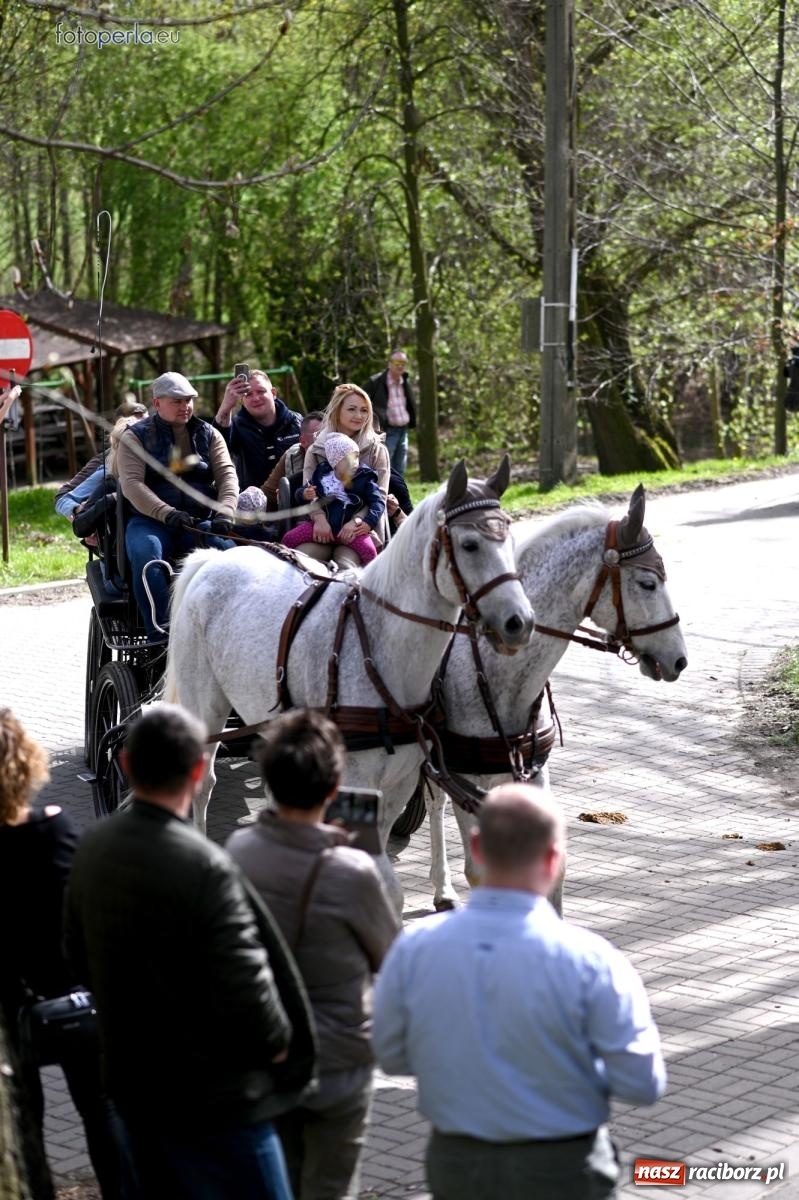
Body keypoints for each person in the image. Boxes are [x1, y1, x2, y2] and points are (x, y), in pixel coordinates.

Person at [64, 704, 316, 1200]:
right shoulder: (207, 866)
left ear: (125, 766)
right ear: (200, 770)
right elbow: (252, 996)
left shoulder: (90, 848)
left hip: (135, 1091)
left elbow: (76, 958)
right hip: (217, 1105)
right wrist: (281, 1046)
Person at [372, 782, 666, 1200]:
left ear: (475, 847)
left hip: (458, 1164)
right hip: (565, 1165)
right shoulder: (595, 961)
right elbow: (643, 1083)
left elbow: (391, 1054)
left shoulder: (415, 948)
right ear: (553, 859)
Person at [226, 710, 400, 1200]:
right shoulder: (353, 871)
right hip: (338, 1067)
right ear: (333, 788)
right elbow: (390, 957)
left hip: (266, 1060)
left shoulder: (238, 851)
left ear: (269, 782)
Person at [0, 709, 127, 1199]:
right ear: (23, 763)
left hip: (11, 1008)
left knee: (23, 1117)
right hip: (71, 993)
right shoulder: (56, 832)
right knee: (101, 1110)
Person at [115, 372, 239, 643]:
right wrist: (166, 513)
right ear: (157, 403)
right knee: (148, 556)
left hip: (197, 521)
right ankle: (161, 633)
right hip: (150, 521)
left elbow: (227, 475)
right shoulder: (133, 438)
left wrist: (225, 513)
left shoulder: (209, 434)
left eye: (189, 400)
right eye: (177, 401)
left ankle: (233, 629)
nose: (185, 406)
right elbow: (133, 485)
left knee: (232, 558)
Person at [282, 432, 385, 569]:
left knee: (370, 552)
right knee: (288, 539)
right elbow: (303, 493)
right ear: (335, 462)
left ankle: (371, 581)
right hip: (322, 528)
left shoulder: (365, 477)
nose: (355, 463)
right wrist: (304, 494)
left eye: (357, 457)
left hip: (351, 532)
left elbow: (377, 502)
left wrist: (368, 522)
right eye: (349, 459)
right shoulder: (322, 474)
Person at [214, 368, 303, 490]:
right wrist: (226, 406)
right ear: (242, 400)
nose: (256, 398)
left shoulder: (297, 422)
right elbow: (214, 449)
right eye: (248, 394)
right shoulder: (236, 427)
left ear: (273, 393)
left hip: (295, 501)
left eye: (261, 391)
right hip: (254, 505)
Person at [364, 350, 416, 475]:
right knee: (383, 467)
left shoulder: (405, 382)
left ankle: (398, 494)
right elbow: (361, 402)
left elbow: (410, 404)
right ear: (389, 363)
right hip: (386, 431)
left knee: (400, 469)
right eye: (397, 362)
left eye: (403, 362)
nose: (400, 365)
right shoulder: (376, 382)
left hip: (403, 432)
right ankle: (382, 493)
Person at [262, 411, 324, 509]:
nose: (326, 440)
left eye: (329, 433)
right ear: (303, 441)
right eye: (319, 435)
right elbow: (267, 495)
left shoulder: (339, 458)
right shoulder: (291, 456)